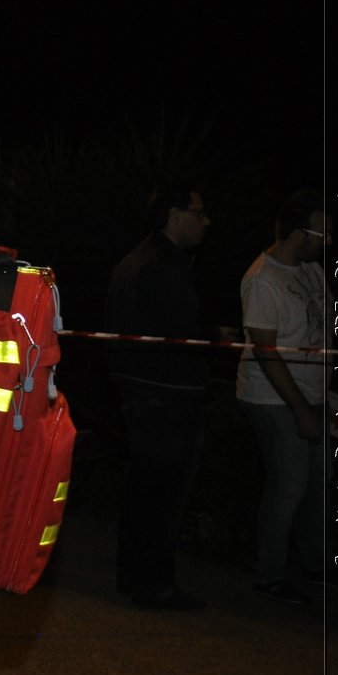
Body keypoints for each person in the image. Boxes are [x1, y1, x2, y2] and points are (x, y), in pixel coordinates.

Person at [103, 186, 220, 610]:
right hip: (165, 398)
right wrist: (213, 340)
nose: (206, 221)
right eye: (199, 212)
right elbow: (177, 334)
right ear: (175, 215)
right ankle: (153, 582)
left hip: (143, 395)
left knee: (145, 492)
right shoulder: (160, 267)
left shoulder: (139, 260)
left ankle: (135, 575)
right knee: (163, 496)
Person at [236, 190, 331, 605]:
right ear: (296, 233)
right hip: (273, 399)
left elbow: (324, 325)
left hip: (312, 394)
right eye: (321, 233)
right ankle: (269, 575)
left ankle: (314, 564)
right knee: (288, 484)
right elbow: (266, 351)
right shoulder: (263, 279)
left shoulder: (311, 271)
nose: (328, 241)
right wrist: (300, 410)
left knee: (318, 482)